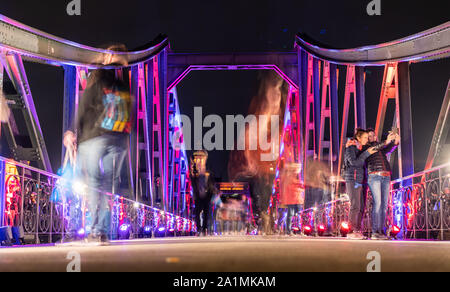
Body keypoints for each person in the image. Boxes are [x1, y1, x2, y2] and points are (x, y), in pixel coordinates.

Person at [63, 44, 132, 243]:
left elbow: (84, 105)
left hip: (94, 137)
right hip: (118, 139)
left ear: (109, 57)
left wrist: (71, 130)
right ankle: (102, 231)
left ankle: (94, 230)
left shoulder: (99, 76)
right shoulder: (124, 82)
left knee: (94, 184)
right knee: (109, 187)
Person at [363, 128, 400, 240]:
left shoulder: (380, 149)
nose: (372, 137)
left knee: (384, 206)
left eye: (373, 135)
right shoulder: (366, 148)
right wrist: (386, 141)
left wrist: (396, 140)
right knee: (378, 203)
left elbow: (389, 148)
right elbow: (378, 147)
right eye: (369, 136)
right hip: (374, 176)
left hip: (386, 176)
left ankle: (381, 231)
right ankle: (375, 232)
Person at [343, 129, 378, 239]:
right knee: (355, 205)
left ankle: (357, 230)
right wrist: (366, 154)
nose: (367, 140)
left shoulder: (360, 148)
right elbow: (354, 162)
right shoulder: (351, 147)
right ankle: (351, 231)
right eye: (365, 137)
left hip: (360, 180)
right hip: (353, 179)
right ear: (358, 138)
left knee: (361, 206)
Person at [190, 150, 216, 236]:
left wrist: (212, 192)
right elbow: (191, 181)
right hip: (198, 196)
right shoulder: (193, 173)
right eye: (197, 158)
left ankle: (204, 229)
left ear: (205, 159)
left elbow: (212, 184)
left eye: (201, 158)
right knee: (197, 213)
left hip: (207, 195)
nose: (199, 160)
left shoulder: (209, 172)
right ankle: (199, 229)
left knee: (206, 213)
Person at [279, 163, 304, 235]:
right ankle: (289, 230)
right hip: (292, 200)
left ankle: (297, 230)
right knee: (291, 215)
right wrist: (300, 186)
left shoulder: (294, 178)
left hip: (297, 199)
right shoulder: (289, 178)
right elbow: (292, 187)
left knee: (297, 215)